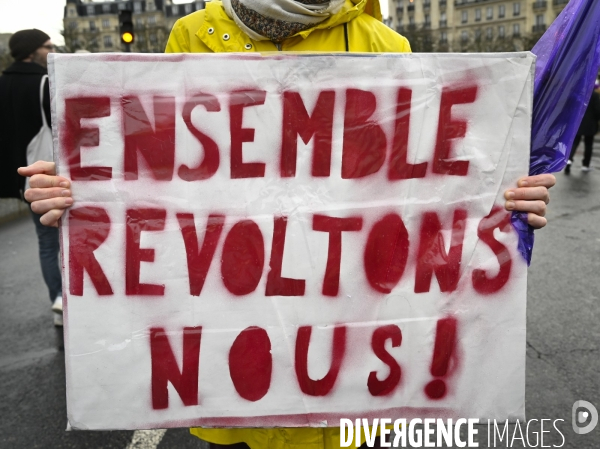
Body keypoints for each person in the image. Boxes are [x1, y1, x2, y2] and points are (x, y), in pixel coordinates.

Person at [18, 0, 555, 447]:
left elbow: (428, 190)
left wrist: (504, 199)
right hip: (233, 374)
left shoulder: (382, 43)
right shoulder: (192, 34)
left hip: (349, 395)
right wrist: (76, 189)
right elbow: (148, 159)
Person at [0, 29, 63, 327]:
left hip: (22, 181)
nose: (50, 50)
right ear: (30, 51)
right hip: (47, 176)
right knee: (63, 238)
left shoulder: (3, 84)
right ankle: (72, 298)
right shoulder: (44, 83)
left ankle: (58, 298)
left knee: (46, 242)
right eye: (46, 46)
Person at [564, 89, 600, 174]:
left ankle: (569, 159)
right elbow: (598, 110)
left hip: (577, 123)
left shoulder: (578, 92)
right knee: (588, 145)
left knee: (574, 142)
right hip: (590, 124)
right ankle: (585, 165)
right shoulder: (594, 95)